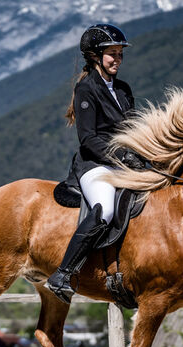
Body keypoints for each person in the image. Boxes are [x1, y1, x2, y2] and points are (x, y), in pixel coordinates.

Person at [45, 24, 146, 303]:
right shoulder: (86, 89)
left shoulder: (124, 89)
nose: (117, 59)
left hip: (124, 165)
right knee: (105, 211)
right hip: (95, 166)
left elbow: (134, 129)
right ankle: (63, 274)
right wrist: (121, 156)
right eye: (111, 54)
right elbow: (88, 139)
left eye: (119, 54)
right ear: (94, 56)